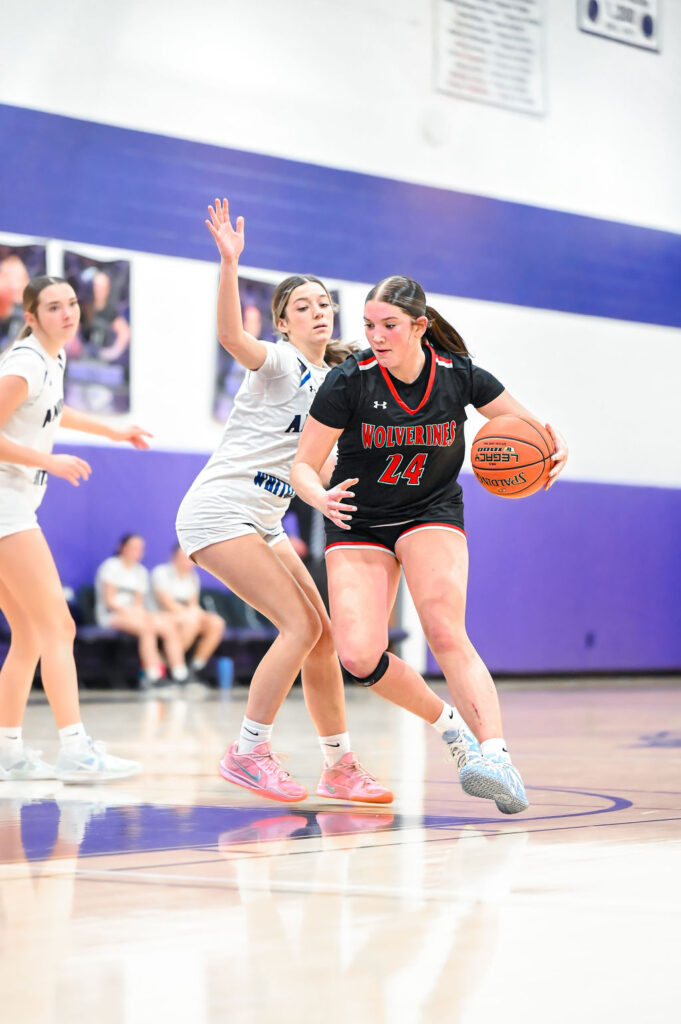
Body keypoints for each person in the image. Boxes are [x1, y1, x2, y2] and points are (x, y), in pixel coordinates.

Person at [291, 275, 569, 815]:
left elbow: (528, 427)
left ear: (419, 326)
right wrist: (319, 496)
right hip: (357, 519)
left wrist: (555, 449)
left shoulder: (459, 375)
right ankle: (451, 728)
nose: (376, 335)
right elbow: (303, 463)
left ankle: (497, 757)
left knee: (443, 629)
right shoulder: (348, 382)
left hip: (429, 511)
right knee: (358, 656)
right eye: (369, 325)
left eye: (389, 325)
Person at [176, 198, 391, 804]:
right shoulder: (279, 362)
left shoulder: (334, 385)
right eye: (303, 306)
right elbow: (229, 336)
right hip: (221, 510)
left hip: (264, 520)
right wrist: (230, 263)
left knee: (321, 636)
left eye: (324, 304)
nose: (317, 312)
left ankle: (339, 766)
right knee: (297, 625)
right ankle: (248, 752)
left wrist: (341, 492)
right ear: (284, 323)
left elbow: (315, 468)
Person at [0, 275, 151, 783]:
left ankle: (7, 753)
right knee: (58, 627)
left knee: (28, 633)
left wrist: (115, 430)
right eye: (53, 307)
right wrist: (49, 461)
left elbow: (55, 410)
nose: (67, 313)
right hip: (5, 507)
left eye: (70, 304)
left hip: (14, 503)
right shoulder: (24, 362)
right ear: (31, 316)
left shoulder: (53, 358)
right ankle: (74, 750)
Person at [95, 534, 192, 690]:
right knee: (147, 628)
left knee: (168, 626)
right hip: (111, 616)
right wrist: (133, 613)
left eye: (140, 548)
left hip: (135, 615)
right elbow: (110, 601)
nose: (137, 551)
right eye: (133, 547)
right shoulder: (111, 567)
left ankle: (179, 673)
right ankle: (152, 675)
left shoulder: (140, 572)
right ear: (122, 548)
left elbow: (138, 603)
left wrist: (140, 613)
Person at [150, 544, 225, 679]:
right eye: (183, 557)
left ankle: (195, 666)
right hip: (161, 615)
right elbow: (167, 604)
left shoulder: (192, 576)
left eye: (189, 559)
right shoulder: (161, 572)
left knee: (216, 623)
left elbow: (193, 604)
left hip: (185, 616)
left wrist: (199, 614)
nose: (187, 562)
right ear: (174, 557)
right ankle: (171, 664)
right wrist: (190, 614)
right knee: (190, 621)